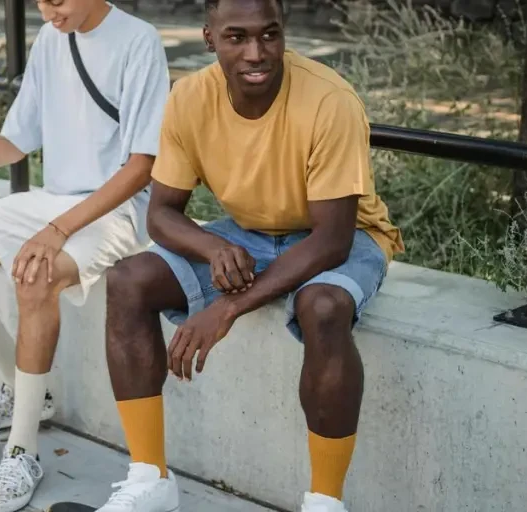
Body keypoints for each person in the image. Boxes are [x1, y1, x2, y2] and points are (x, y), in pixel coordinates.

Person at [95, 0, 405, 510]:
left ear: (284, 35)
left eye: (270, 35)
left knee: (324, 307)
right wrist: (215, 246)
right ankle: (150, 480)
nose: (256, 53)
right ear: (209, 38)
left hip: (342, 232)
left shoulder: (329, 100)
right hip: (249, 231)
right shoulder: (189, 98)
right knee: (129, 280)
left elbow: (332, 240)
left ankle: (325, 503)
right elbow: (163, 214)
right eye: (237, 37)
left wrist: (228, 305)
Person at [0, 0, 170, 510]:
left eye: (59, 0)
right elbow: (18, 139)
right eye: (41, 1)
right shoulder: (53, 37)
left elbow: (142, 165)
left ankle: (22, 450)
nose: (49, 11)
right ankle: (21, 387)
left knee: (36, 275)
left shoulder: (139, 41)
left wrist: (58, 231)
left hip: (117, 210)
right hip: (55, 202)